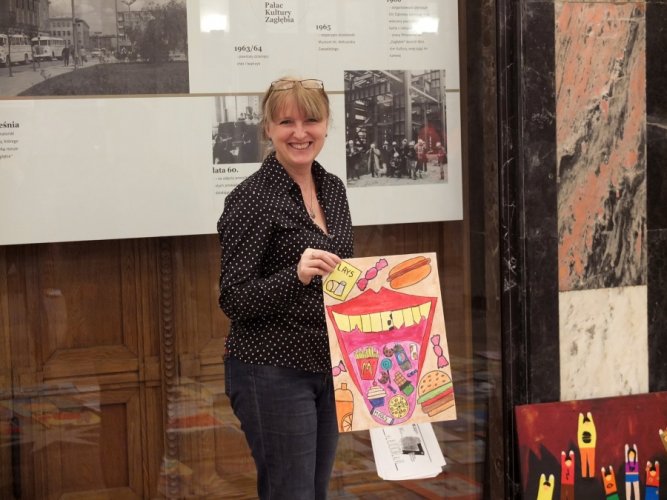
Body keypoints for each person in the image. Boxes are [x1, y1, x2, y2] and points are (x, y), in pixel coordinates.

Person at [217, 76, 354, 500]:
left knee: (315, 492)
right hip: (271, 371)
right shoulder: (251, 198)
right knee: (291, 493)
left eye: (310, 120)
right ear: (268, 129)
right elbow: (233, 297)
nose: (300, 133)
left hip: (329, 367)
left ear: (327, 125)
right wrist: (294, 275)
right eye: (286, 122)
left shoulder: (333, 189)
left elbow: (342, 279)